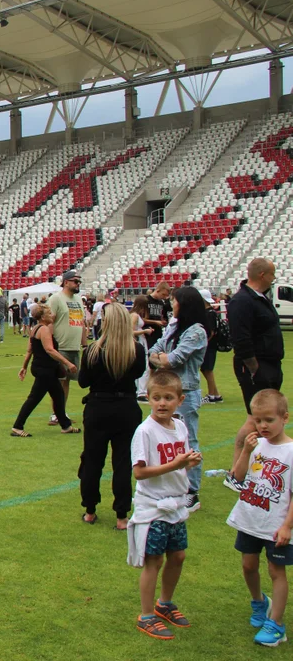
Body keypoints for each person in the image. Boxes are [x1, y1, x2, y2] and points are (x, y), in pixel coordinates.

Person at [127, 369, 202, 641]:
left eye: (168, 398)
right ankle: (146, 616)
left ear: (180, 400)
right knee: (153, 561)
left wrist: (188, 461)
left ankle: (164, 603)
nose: (161, 403)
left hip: (176, 505)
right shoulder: (145, 431)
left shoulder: (180, 426)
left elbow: (179, 460)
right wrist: (176, 464)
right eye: (156, 397)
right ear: (147, 397)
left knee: (178, 556)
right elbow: (139, 472)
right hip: (154, 506)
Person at [226, 389, 293, 647]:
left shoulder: (290, 451)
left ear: (284, 417)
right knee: (248, 566)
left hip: (277, 525)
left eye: (269, 420)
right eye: (257, 420)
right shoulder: (256, 444)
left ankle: (276, 624)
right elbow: (238, 477)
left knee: (277, 571)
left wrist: (287, 525)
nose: (263, 425)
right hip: (250, 519)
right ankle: (259, 603)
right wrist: (245, 451)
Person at [78, 303, 147, 528]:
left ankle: (90, 509)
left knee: (92, 460)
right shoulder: (135, 350)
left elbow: (83, 382)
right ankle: (121, 516)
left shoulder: (93, 351)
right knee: (123, 462)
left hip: (98, 406)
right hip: (126, 407)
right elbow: (138, 373)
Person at [149, 286, 210, 513]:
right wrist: (160, 358)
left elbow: (172, 360)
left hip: (186, 392)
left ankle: (191, 492)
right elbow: (154, 351)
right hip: (167, 389)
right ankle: (168, 485)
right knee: (163, 439)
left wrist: (162, 359)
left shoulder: (196, 331)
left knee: (188, 440)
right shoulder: (175, 327)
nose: (171, 305)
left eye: (174, 301)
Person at [228, 258, 285, 483]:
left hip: (268, 364)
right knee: (255, 419)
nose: (273, 279)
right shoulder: (242, 301)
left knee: (260, 417)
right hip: (255, 365)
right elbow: (240, 338)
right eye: (272, 275)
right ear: (262, 275)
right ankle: (236, 471)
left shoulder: (259, 299)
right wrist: (254, 368)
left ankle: (255, 466)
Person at [11, 304, 79, 436]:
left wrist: (24, 367)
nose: (52, 315)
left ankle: (66, 426)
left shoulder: (35, 328)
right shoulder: (44, 330)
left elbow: (30, 350)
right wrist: (68, 363)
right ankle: (17, 427)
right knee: (34, 398)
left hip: (44, 369)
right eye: (49, 313)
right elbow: (49, 350)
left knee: (58, 396)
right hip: (45, 370)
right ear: (42, 317)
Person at [47, 270, 86, 423]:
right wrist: (50, 345)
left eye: (79, 282)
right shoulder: (56, 299)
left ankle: (61, 412)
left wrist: (85, 344)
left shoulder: (78, 299)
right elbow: (49, 322)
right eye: (75, 281)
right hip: (60, 346)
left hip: (74, 346)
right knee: (60, 381)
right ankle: (55, 414)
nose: (78, 284)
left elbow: (81, 323)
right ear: (66, 282)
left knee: (67, 381)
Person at [199, 289, 224, 405]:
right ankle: (215, 394)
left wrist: (203, 343)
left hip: (209, 346)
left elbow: (211, 332)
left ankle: (212, 394)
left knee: (207, 370)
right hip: (209, 345)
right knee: (206, 369)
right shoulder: (209, 312)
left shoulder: (209, 313)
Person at [131, 295, 155, 401]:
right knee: (144, 367)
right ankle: (141, 391)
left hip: (140, 340)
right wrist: (145, 331)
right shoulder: (135, 315)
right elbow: (131, 331)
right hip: (139, 341)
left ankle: (139, 390)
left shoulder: (135, 314)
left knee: (143, 366)